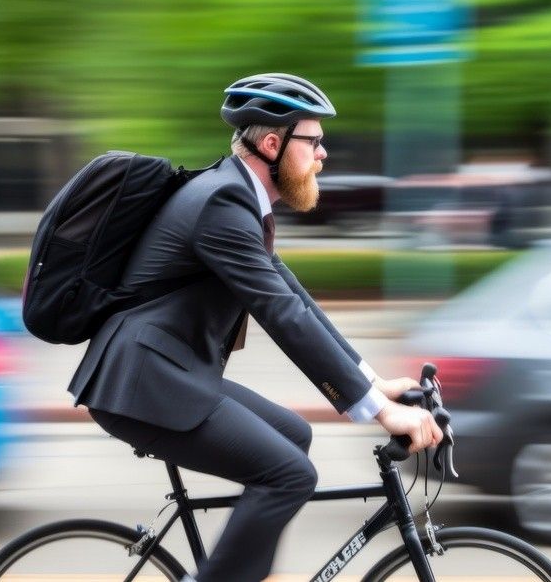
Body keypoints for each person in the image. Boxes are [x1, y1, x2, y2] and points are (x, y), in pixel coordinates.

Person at [68, 73, 443, 582]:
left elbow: (294, 300)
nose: (323, 154)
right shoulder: (222, 204)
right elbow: (280, 315)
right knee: (290, 476)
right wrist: (381, 415)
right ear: (273, 144)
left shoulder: (239, 200)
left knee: (294, 436)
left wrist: (371, 381)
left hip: (167, 372)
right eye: (313, 141)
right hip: (141, 384)